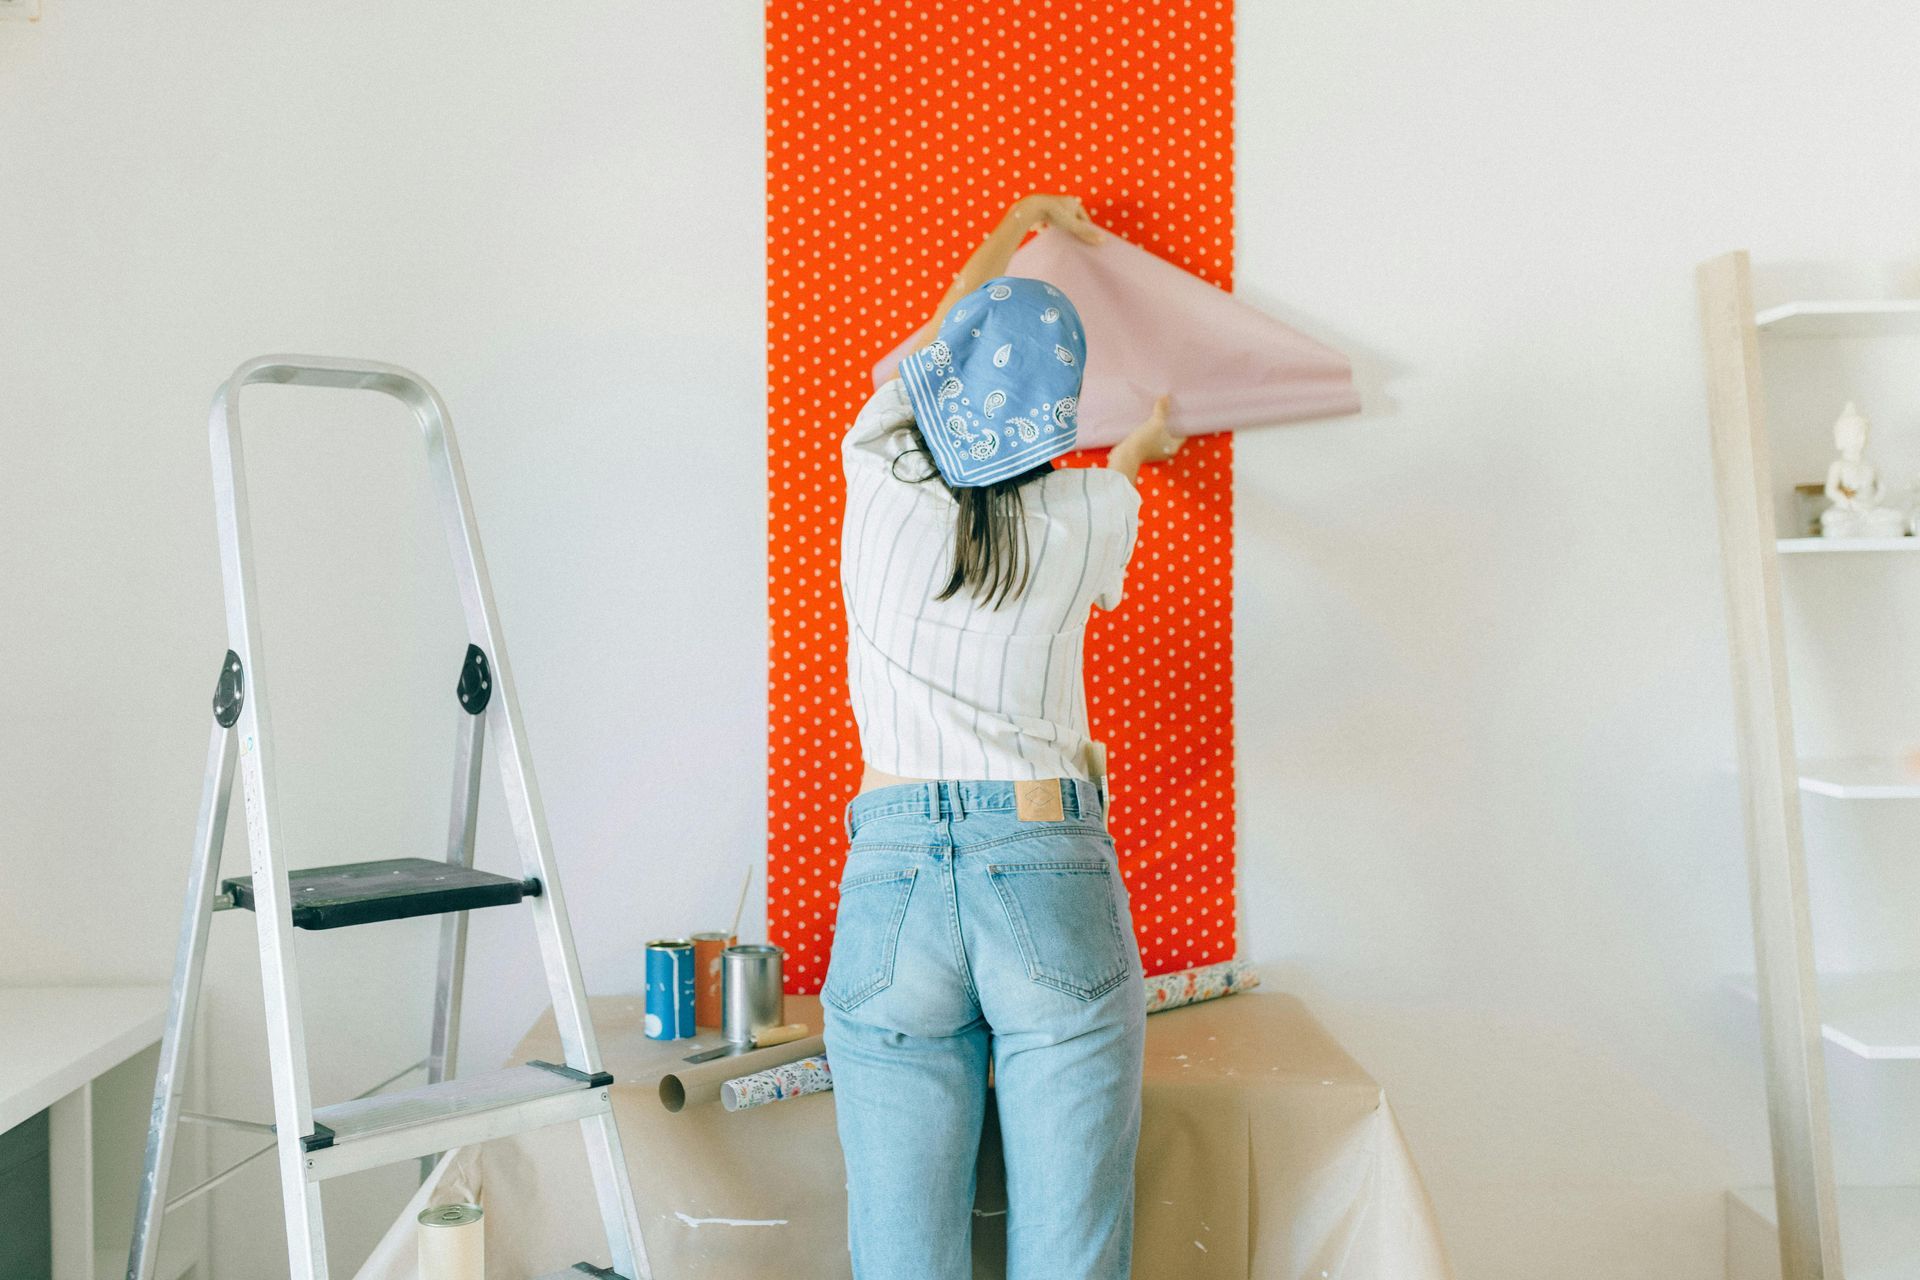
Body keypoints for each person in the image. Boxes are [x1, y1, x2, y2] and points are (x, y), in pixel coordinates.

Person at [821, 193, 1183, 1280]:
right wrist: (1143, 444)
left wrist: (1020, 219)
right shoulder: (1079, 518)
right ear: (1058, 417)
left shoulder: (875, 466)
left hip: (890, 876)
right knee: (1072, 1253)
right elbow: (1111, 477)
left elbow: (946, 333)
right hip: (1043, 862)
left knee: (900, 1256)